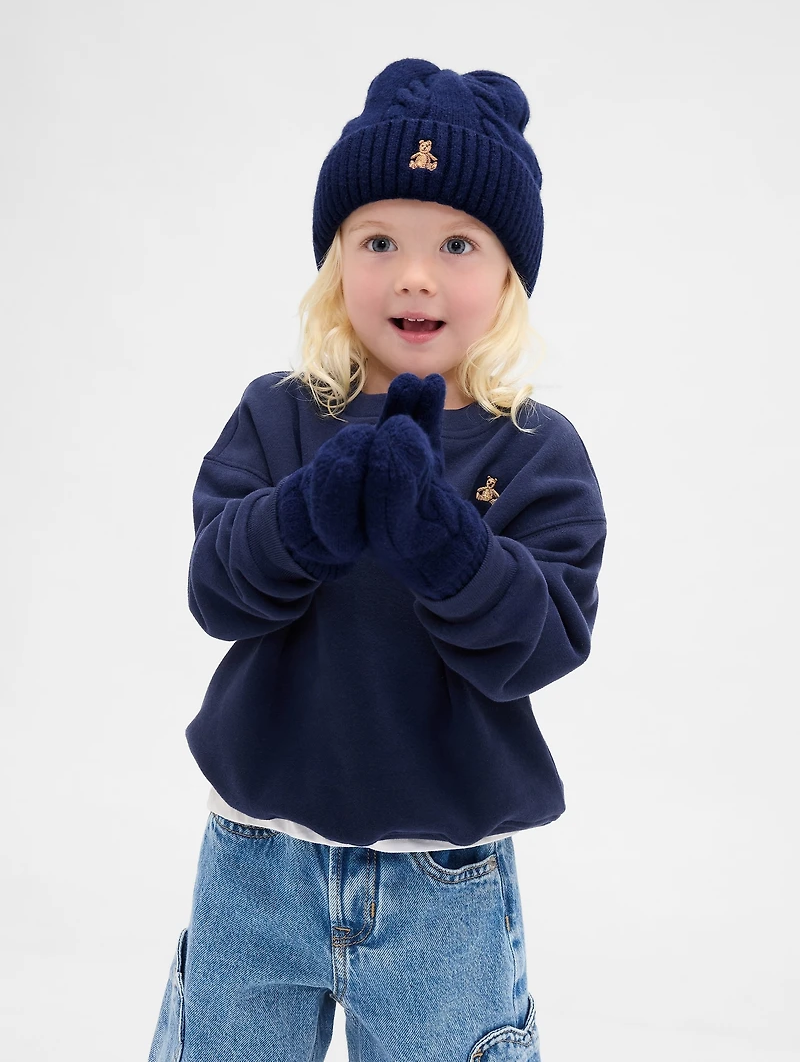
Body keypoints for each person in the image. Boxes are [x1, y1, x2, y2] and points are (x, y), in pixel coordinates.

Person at [148, 57, 607, 1062]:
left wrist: (446, 549)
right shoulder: (278, 414)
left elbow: (541, 639)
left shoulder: (536, 449)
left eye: (456, 242)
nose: (413, 273)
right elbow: (217, 589)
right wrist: (307, 515)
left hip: (442, 878)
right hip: (254, 857)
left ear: (508, 276)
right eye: (378, 240)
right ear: (333, 262)